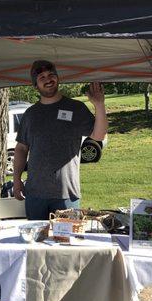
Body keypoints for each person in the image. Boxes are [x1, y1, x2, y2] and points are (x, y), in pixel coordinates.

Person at [13, 60, 108, 220]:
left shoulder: (76, 108)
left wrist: (99, 105)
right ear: (35, 84)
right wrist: (16, 180)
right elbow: (21, 148)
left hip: (67, 195)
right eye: (41, 77)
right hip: (35, 194)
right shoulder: (30, 114)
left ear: (58, 78)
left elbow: (99, 136)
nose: (48, 79)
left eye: (51, 75)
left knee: (67, 241)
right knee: (36, 242)